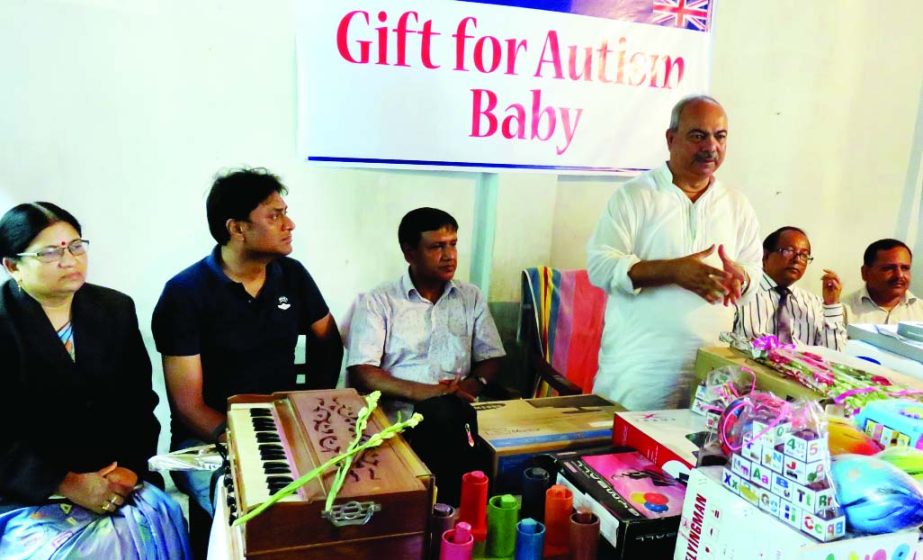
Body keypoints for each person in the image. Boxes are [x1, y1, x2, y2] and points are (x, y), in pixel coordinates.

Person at [0, 202, 189, 559]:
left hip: (115, 476)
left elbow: (139, 402)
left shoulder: (115, 309)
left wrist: (131, 469)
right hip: (29, 489)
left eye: (76, 246)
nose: (70, 261)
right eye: (50, 252)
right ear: (13, 266)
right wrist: (67, 482)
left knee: (163, 518)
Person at [152, 168, 343, 516]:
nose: (290, 224)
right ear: (237, 228)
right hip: (210, 438)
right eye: (275, 215)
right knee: (249, 507)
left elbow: (327, 339)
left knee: (342, 492)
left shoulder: (292, 274)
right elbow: (188, 407)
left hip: (285, 424)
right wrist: (256, 440)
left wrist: (310, 406)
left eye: (285, 213)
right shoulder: (184, 294)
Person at [587, 95, 762, 410]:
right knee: (628, 456)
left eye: (720, 136)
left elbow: (754, 270)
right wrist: (673, 271)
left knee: (700, 454)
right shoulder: (635, 196)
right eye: (698, 136)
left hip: (712, 369)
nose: (711, 146)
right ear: (671, 139)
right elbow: (600, 266)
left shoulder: (737, 204)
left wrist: (742, 277)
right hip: (641, 371)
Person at [346, 207, 506, 421]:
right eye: (437, 246)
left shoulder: (470, 296)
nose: (449, 256)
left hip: (458, 412)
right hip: (399, 419)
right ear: (410, 253)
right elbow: (362, 371)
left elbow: (492, 356)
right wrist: (428, 394)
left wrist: (473, 385)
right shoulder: (379, 300)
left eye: (453, 244)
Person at [732, 226, 846, 349]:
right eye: (788, 251)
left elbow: (833, 356)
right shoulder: (742, 291)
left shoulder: (814, 304)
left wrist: (831, 305)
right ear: (765, 256)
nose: (797, 259)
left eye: (804, 255)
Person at [844, 239, 923, 324]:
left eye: (905, 268)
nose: (899, 275)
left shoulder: (920, 310)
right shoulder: (842, 311)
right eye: (888, 268)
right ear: (866, 273)